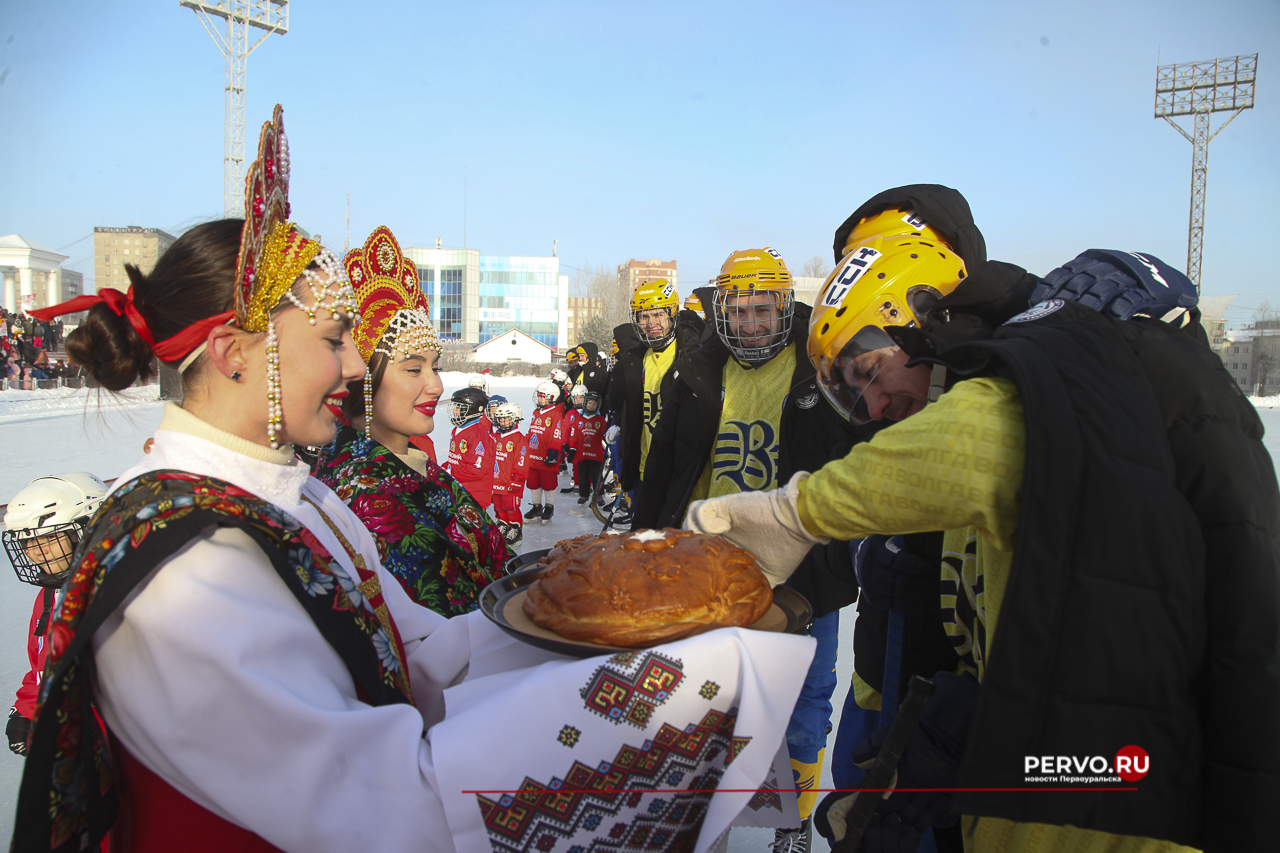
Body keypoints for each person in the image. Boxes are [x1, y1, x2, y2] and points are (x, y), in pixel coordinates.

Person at [13, 107, 815, 853]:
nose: (355, 367)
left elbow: (433, 650)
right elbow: (389, 802)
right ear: (232, 354)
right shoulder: (187, 574)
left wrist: (639, 609)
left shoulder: (298, 498)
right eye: (334, 339)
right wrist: (677, 694)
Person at [686, 233, 1279, 851]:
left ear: (917, 321)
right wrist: (929, 757)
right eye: (852, 398)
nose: (877, 406)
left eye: (867, 372)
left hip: (1108, 808)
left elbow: (972, 442)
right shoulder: (962, 455)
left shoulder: (1028, 395)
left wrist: (796, 513)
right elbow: (1009, 637)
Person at [635, 248, 856, 852]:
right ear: (722, 310)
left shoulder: (822, 365)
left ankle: (793, 823)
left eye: (764, 310)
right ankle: (714, 817)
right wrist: (643, 536)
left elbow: (850, 471)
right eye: (740, 310)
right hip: (713, 562)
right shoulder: (698, 366)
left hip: (802, 563)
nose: (752, 324)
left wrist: (835, 561)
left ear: (786, 308)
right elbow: (669, 465)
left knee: (807, 698)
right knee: (712, 702)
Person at [311, 225, 508, 616]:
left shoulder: (408, 462)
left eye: (435, 367)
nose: (436, 385)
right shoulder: (362, 495)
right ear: (360, 377)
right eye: (414, 369)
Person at [2, 473, 107, 756]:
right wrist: (27, 710)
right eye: (28, 542)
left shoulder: (124, 591)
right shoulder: (51, 593)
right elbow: (46, 663)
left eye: (49, 538)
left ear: (86, 530)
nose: (37, 552)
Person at [613, 279, 705, 498]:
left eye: (658, 314)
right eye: (644, 316)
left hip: (679, 474)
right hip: (644, 472)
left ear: (672, 314)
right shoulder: (635, 359)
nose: (650, 322)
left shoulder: (692, 355)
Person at [444, 386, 496, 509]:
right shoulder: (457, 429)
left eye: (459, 407)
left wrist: (451, 472)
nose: (454, 411)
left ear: (472, 409)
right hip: (459, 492)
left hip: (473, 496)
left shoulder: (479, 436)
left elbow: (476, 470)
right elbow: (456, 459)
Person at [523, 379, 565, 524]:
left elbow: (556, 434)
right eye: (539, 395)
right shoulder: (536, 412)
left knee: (548, 484)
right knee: (533, 483)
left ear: (551, 397)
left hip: (546, 456)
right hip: (533, 456)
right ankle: (536, 506)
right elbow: (531, 431)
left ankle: (549, 507)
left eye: (543, 396)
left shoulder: (555, 414)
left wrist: (553, 452)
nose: (539, 398)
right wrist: (524, 444)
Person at [490, 401, 528, 544]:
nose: (503, 422)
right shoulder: (496, 436)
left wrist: (516, 479)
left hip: (510, 481)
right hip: (496, 480)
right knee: (498, 506)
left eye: (506, 418)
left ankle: (516, 529)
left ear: (515, 418)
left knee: (510, 506)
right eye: (500, 418)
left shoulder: (519, 439)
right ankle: (503, 524)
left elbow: (522, 461)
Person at [567, 391, 606, 516]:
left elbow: (604, 437)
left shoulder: (600, 420)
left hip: (596, 455)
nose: (591, 406)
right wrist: (572, 450)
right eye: (589, 403)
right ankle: (584, 495)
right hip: (582, 454)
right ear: (585, 403)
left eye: (594, 404)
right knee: (583, 476)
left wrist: (606, 450)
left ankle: (599, 495)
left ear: (597, 406)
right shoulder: (579, 419)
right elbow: (574, 437)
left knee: (596, 476)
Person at [559, 384, 588, 495]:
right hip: (574, 446)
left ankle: (588, 485)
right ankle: (577, 484)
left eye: (580, 397)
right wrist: (565, 443)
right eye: (576, 398)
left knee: (588, 466)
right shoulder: (570, 414)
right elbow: (566, 430)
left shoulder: (590, 412)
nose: (578, 400)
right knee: (576, 466)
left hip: (587, 446)